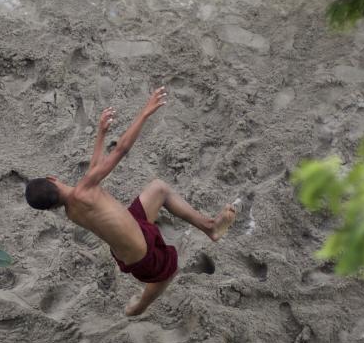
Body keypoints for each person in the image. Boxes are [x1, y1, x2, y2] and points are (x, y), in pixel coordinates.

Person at [25, 86, 237, 316]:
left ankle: (210, 227)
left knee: (159, 189)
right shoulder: (84, 189)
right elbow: (121, 150)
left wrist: (101, 133)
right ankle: (141, 305)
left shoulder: (72, 209)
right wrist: (145, 112)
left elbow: (94, 170)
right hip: (141, 253)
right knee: (168, 272)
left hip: (131, 233)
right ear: (52, 178)